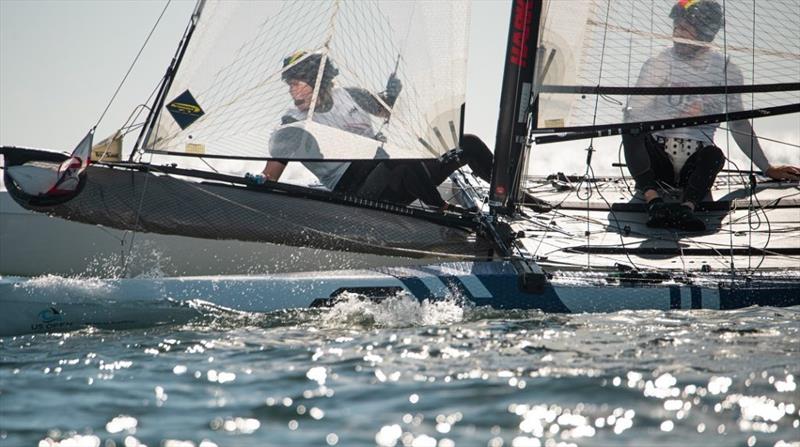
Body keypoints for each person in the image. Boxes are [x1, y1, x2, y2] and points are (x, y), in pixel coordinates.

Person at [623, 0, 799, 231]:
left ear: (705, 34)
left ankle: (688, 207)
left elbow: (739, 123)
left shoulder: (726, 70)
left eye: (685, 30)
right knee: (627, 125)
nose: (677, 35)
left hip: (696, 164)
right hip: (657, 165)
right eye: (676, 28)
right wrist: (667, 110)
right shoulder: (658, 63)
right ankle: (653, 201)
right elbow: (634, 113)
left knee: (715, 155)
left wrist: (767, 168)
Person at [250, 50, 493, 211]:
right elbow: (270, 175)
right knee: (395, 159)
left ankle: (511, 199)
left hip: (396, 176)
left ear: (317, 79)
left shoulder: (351, 95)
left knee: (467, 143)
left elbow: (386, 109)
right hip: (356, 193)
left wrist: (392, 94)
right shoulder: (292, 124)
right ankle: (441, 210)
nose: (291, 91)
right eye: (289, 85)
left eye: (296, 84)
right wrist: (262, 181)